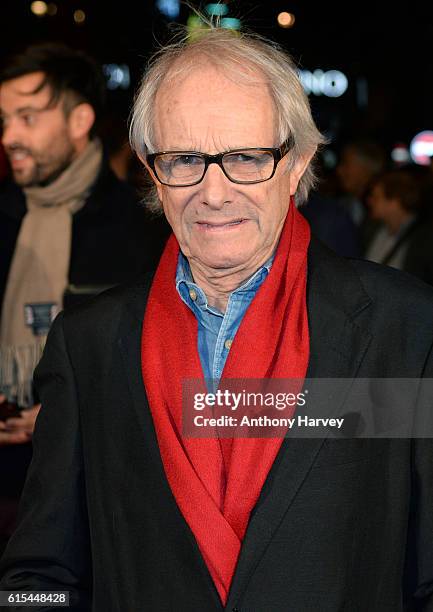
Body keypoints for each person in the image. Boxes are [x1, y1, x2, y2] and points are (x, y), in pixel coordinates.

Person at [1, 27, 433, 611]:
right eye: (183, 160)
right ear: (152, 173)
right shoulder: (89, 346)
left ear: (297, 161)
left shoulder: (404, 330)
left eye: (246, 158)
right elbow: (38, 578)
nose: (214, 192)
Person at [0, 43, 169, 545]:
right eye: (5, 119)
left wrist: (64, 412)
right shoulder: (3, 218)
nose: (9, 136)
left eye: (27, 117)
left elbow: (163, 372)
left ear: (80, 120)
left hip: (94, 502)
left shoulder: (142, 229)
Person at [365, 168, 433, 284]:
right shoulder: (371, 229)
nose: (369, 201)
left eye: (376, 197)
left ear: (394, 202)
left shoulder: (425, 239)